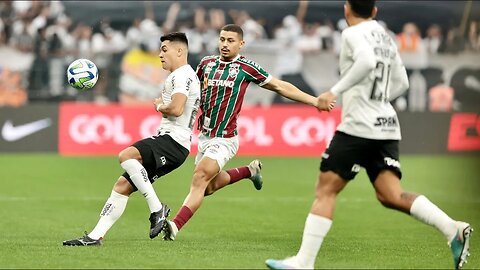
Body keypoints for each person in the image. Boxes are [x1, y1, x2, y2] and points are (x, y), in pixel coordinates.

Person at [265, 1, 473, 269]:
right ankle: (452, 228)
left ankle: (303, 263)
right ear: (374, 11)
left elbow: (365, 61)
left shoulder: (352, 33)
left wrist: (334, 91)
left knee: (326, 189)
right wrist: (379, 101)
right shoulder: (385, 38)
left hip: (359, 126)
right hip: (386, 123)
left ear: (346, 8)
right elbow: (403, 82)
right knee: (391, 194)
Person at [161, 24, 334, 241]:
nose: (225, 44)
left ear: (241, 44)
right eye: (222, 39)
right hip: (204, 136)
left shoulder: (246, 67)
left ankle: (174, 226)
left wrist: (315, 101)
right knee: (208, 187)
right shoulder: (206, 64)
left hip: (225, 138)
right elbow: (190, 90)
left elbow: (280, 87)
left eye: (230, 41)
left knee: (199, 177)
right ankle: (249, 172)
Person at [62, 32, 201, 245]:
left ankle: (157, 209)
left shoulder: (181, 75)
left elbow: (176, 108)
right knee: (122, 186)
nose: (160, 55)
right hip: (176, 144)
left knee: (127, 155)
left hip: (174, 142)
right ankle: (95, 236)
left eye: (165, 50)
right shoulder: (184, 75)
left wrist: (158, 105)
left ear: (180, 51)